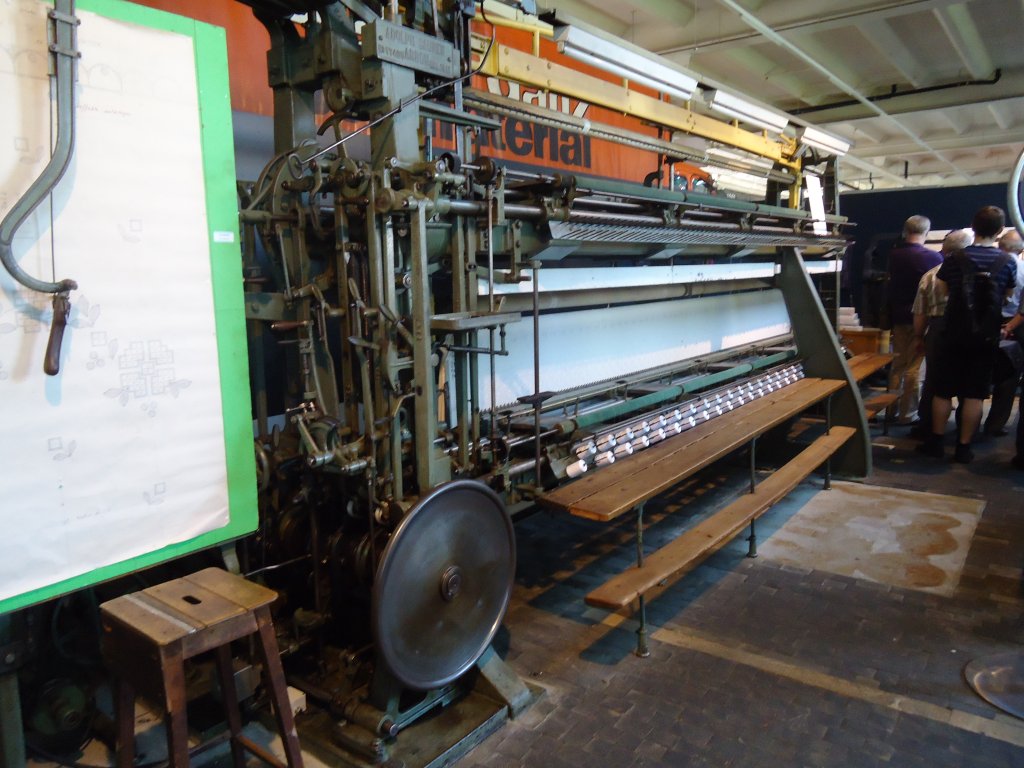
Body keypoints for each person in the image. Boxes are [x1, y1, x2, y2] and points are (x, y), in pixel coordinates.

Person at [920, 206, 1018, 462]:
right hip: (986, 337)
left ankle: (937, 442)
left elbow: (942, 291)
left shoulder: (955, 259)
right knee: (975, 394)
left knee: (942, 391)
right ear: (999, 231)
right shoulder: (1007, 262)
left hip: (952, 333)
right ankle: (964, 447)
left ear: (972, 228)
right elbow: (1008, 296)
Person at [911, 229, 973, 438]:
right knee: (969, 385)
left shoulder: (931, 275)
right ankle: (966, 432)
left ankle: (928, 428)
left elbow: (920, 312)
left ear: (944, 249)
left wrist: (919, 337)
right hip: (971, 330)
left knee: (934, 382)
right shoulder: (976, 271)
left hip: (939, 330)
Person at [885, 215, 941, 425]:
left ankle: (890, 409)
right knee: (915, 366)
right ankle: (907, 414)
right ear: (926, 232)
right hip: (922, 318)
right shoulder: (934, 259)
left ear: (905, 231)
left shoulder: (894, 256)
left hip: (898, 316)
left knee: (898, 364)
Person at [983, 229, 1024, 436]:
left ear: (1000, 245)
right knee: (1008, 378)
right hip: (1014, 328)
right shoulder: (1023, 268)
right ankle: (995, 425)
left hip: (984, 324)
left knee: (977, 373)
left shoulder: (990, 264)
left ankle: (968, 422)